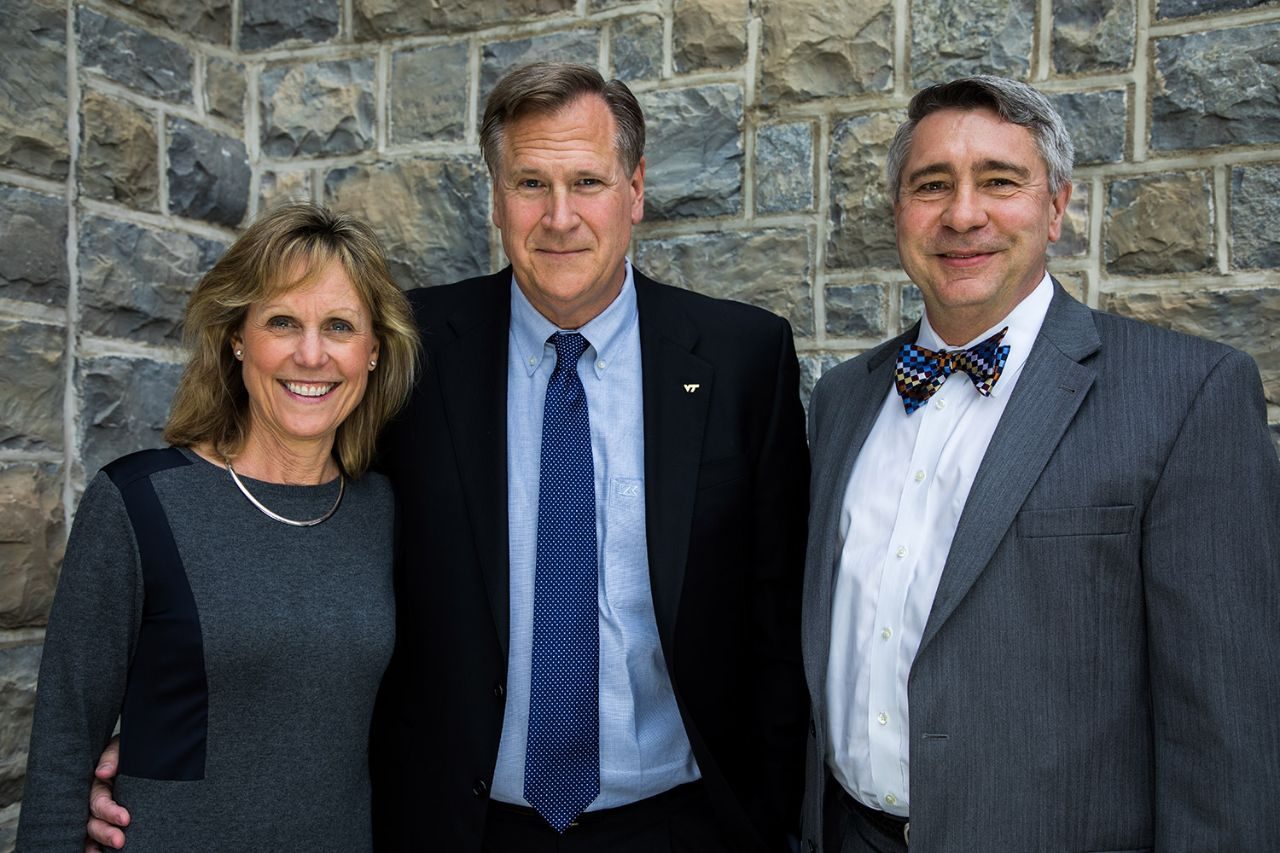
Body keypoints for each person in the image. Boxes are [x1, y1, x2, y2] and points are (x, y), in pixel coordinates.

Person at [85, 62, 809, 851]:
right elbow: (293, 523)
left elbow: (776, 625)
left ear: (634, 190)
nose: (559, 216)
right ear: (495, 198)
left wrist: (770, 826)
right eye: (530, 182)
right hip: (460, 826)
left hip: (682, 823)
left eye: (588, 182)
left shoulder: (743, 357)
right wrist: (166, 730)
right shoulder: (410, 352)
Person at [799, 75, 1280, 853]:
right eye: (931, 186)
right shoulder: (844, 398)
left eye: (999, 181)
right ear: (899, 215)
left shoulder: (1188, 394)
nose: (963, 214)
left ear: (1055, 207)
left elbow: (1229, 732)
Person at [18, 202, 420, 851]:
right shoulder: (139, 501)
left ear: (373, 351)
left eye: (340, 326)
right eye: (283, 321)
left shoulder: (385, 513)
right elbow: (65, 747)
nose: (310, 353)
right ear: (238, 337)